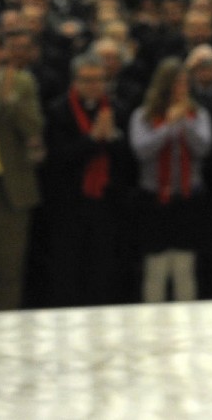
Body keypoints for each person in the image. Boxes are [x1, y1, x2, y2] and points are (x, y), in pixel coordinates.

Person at [41, 52, 135, 306]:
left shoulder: (119, 110)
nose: (94, 85)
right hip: (69, 201)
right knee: (68, 266)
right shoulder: (57, 111)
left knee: (103, 266)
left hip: (106, 201)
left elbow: (129, 158)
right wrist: (92, 140)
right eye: (88, 80)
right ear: (75, 82)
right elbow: (56, 158)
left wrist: (112, 138)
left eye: (99, 79)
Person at [129, 57, 212, 303]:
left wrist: (184, 123)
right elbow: (141, 150)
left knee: (184, 266)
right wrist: (167, 126)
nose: (183, 90)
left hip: (188, 196)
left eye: (186, 84)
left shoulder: (198, 114)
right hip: (154, 196)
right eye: (177, 84)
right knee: (156, 266)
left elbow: (204, 148)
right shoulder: (143, 115)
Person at [0, 25, 44, 311]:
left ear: (1, 52)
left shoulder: (21, 82)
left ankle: (8, 330)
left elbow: (34, 127)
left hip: (13, 187)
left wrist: (9, 101)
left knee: (10, 267)